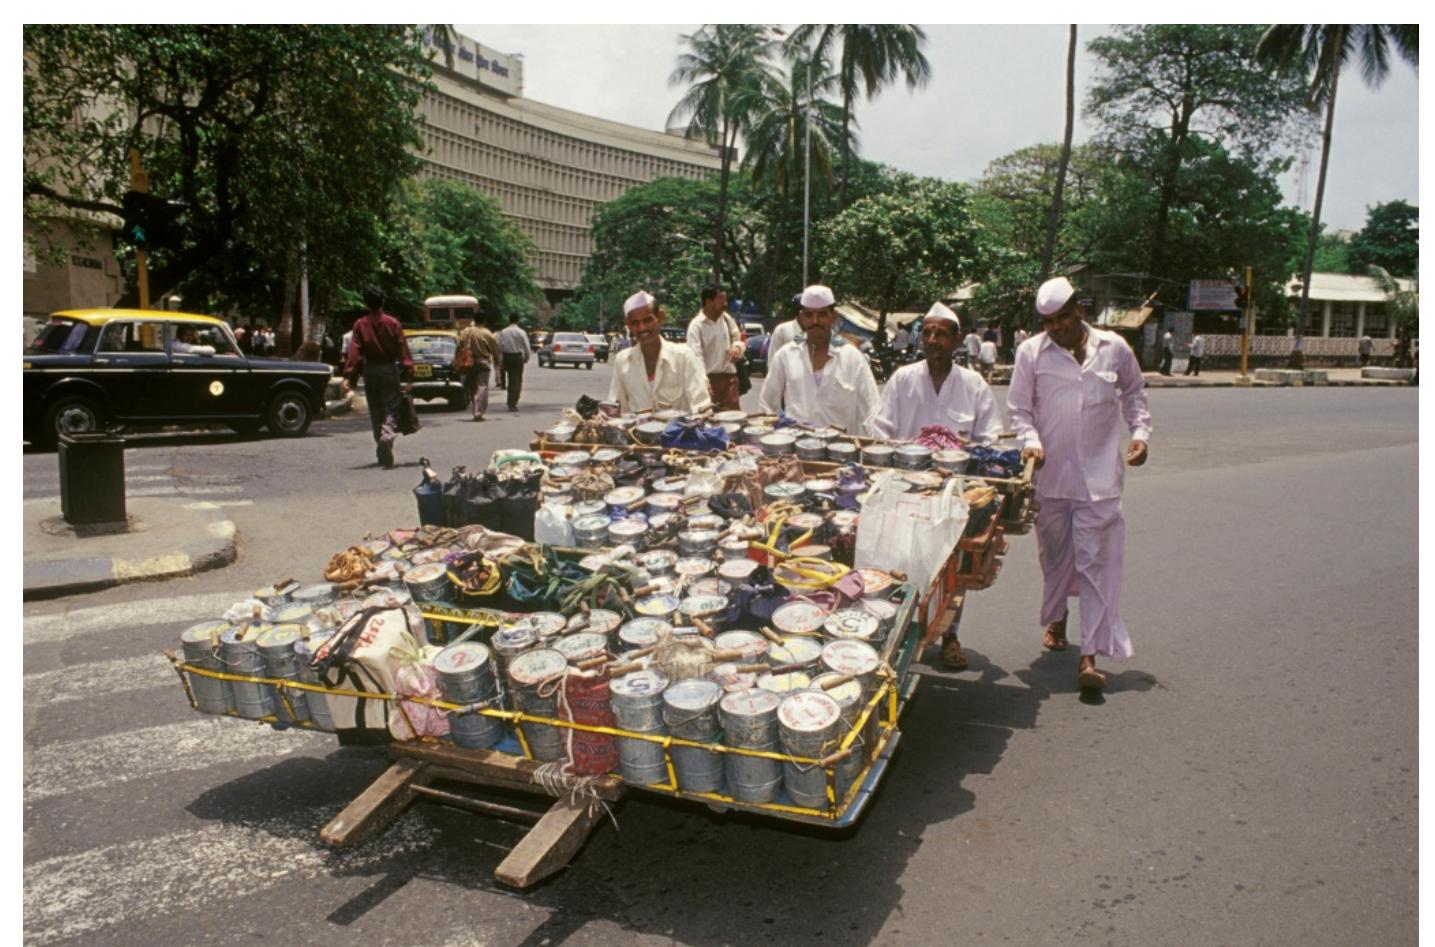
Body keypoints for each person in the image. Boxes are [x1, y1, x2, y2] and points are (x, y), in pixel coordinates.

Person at [1008, 276, 1151, 693]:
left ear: (1080, 310)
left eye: (1063, 318)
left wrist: (1140, 434)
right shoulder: (1030, 353)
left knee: (1094, 563)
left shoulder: (1115, 349)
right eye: (1048, 322)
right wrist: (1031, 442)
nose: (1056, 328)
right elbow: (1018, 410)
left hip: (1100, 480)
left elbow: (1135, 394)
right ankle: (1058, 617)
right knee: (1055, 558)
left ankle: (1089, 656)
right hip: (1050, 481)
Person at [869, 301, 1004, 663]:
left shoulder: (973, 384)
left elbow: (989, 437)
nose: (932, 340)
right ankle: (899, 634)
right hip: (906, 489)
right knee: (901, 560)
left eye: (941, 333)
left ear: (957, 340)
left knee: (952, 564)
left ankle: (950, 637)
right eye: (927, 332)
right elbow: (879, 428)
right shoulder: (903, 379)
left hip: (954, 493)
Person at [759, 284, 879, 434]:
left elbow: (872, 411)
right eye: (809, 315)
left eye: (822, 314)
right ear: (802, 317)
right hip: (796, 451)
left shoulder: (852, 358)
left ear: (833, 316)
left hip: (841, 450)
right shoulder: (785, 356)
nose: (815, 320)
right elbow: (767, 405)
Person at [341, 287, 415, 469]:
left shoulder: (360, 324)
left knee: (375, 411)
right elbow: (402, 350)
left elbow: (355, 351)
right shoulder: (393, 323)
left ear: (366, 303)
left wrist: (349, 375)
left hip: (370, 370)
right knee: (391, 407)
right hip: (389, 370)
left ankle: (381, 446)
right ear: (383, 301)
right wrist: (408, 377)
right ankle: (387, 436)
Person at [608, 290, 712, 414]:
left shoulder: (683, 356)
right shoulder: (622, 361)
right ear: (628, 325)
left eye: (648, 320)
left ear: (660, 317)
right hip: (635, 432)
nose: (642, 328)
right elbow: (616, 409)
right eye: (635, 323)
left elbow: (702, 407)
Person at [687, 284, 744, 411]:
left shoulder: (727, 319)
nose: (725, 304)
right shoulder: (696, 326)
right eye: (721, 300)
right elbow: (696, 357)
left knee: (732, 423)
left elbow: (738, 338)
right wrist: (703, 383)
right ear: (708, 301)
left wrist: (737, 348)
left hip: (729, 381)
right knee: (709, 423)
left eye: (725, 300)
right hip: (708, 382)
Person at [457, 309, 502, 421]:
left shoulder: (466, 331)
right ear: (484, 320)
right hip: (483, 362)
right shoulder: (487, 333)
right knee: (482, 386)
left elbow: (460, 344)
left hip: (470, 362)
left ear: (474, 319)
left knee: (473, 387)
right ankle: (478, 411)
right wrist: (497, 360)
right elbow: (495, 349)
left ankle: (475, 409)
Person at [497, 312, 532, 412]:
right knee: (516, 380)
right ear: (518, 320)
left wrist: (500, 359)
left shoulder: (503, 332)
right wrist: (526, 357)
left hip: (507, 357)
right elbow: (526, 346)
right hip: (517, 357)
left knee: (510, 379)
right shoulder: (521, 332)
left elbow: (499, 346)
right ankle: (513, 402)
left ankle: (510, 401)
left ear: (509, 320)